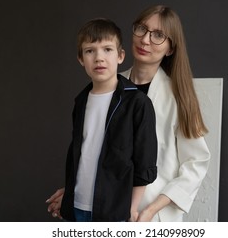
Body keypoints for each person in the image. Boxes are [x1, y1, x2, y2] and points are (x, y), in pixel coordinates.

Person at [47, 5, 210, 222]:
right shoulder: (105, 82)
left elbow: (196, 164)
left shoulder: (180, 97)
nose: (145, 40)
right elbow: (97, 151)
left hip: (151, 214)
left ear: (170, 48)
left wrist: (151, 210)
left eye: (158, 35)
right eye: (141, 29)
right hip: (107, 209)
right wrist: (75, 193)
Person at [47, 18, 157, 222]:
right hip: (76, 207)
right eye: (90, 51)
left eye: (107, 49)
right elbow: (79, 155)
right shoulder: (81, 101)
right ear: (81, 59)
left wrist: (132, 209)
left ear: (120, 56)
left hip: (114, 211)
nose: (99, 58)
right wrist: (69, 195)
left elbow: (144, 163)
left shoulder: (137, 103)